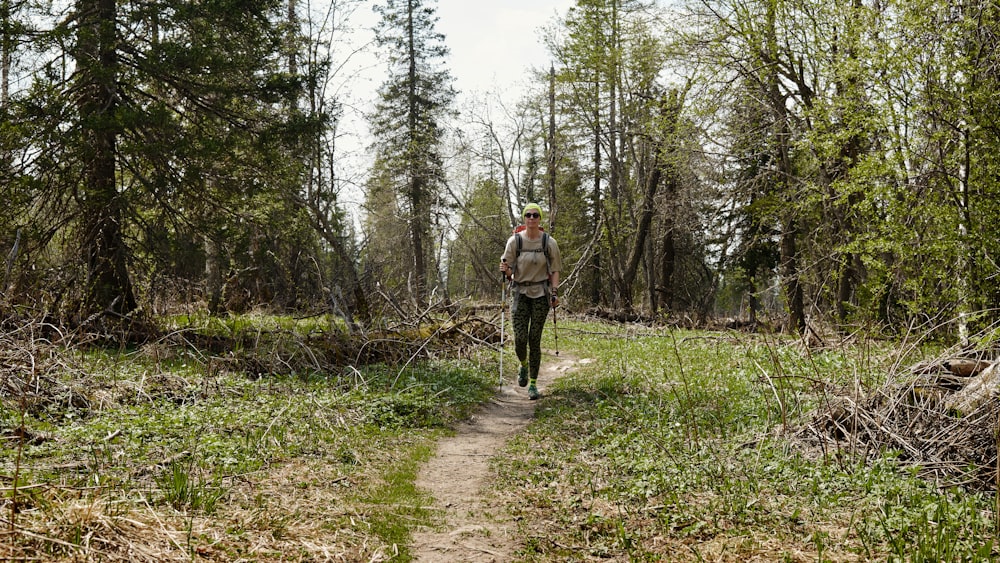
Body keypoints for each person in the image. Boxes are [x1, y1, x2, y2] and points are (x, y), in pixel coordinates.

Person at [500, 203, 562, 400]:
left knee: (534, 339)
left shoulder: (548, 243)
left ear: (540, 218)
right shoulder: (514, 242)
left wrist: (554, 292)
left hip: (540, 295)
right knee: (520, 339)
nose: (532, 218)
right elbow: (508, 270)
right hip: (519, 293)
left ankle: (533, 384)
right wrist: (505, 270)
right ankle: (524, 365)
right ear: (524, 218)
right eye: (528, 215)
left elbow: (554, 270)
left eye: (535, 215)